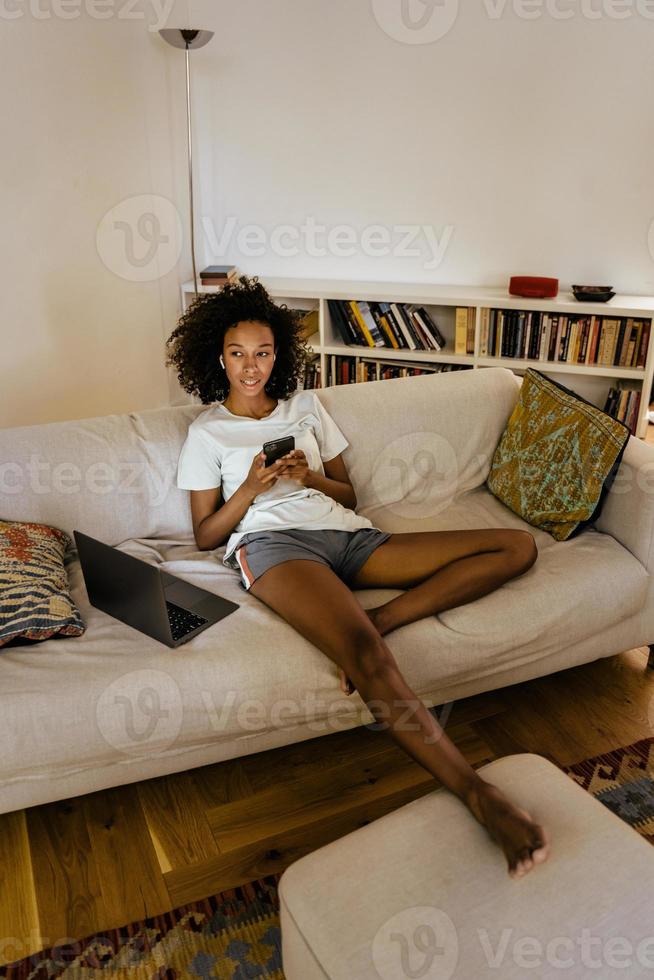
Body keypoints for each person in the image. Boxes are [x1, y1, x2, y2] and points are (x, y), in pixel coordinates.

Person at [166, 275, 549, 879]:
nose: (251, 366)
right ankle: (481, 796)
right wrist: (251, 487)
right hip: (272, 547)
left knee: (516, 546)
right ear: (219, 355)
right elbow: (207, 535)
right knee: (367, 655)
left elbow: (351, 493)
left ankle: (385, 614)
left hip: (349, 535)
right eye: (238, 353)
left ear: (279, 354)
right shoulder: (207, 432)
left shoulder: (306, 407)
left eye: (263, 352)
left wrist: (308, 477)